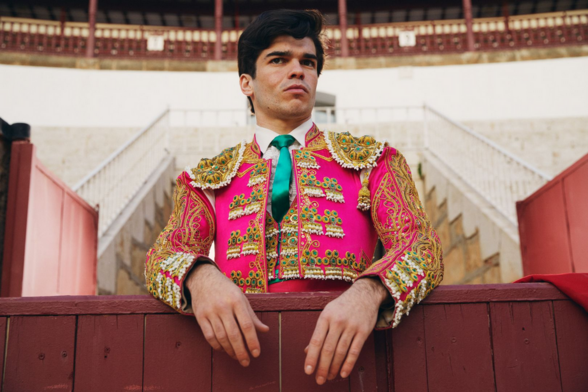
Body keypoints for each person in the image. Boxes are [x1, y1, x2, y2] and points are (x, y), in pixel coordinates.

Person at [145, 9, 443, 385]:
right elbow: (162, 256)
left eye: (308, 62)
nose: (298, 70)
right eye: (278, 60)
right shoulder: (206, 179)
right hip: (244, 368)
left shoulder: (374, 161)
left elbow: (422, 246)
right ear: (246, 83)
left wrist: (369, 292)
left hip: (351, 363)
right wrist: (201, 277)